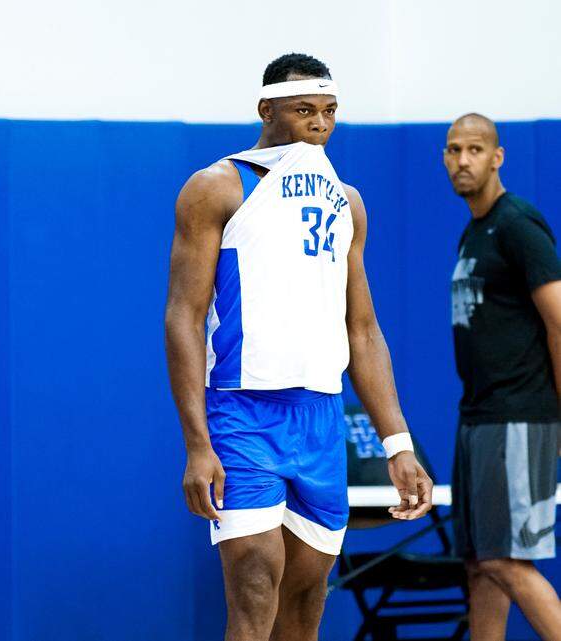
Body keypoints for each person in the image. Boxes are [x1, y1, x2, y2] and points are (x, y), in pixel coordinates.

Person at [164, 52, 433, 640]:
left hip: (320, 417)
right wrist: (196, 443)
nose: (319, 123)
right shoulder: (216, 187)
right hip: (243, 411)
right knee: (255, 585)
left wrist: (397, 443)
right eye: (304, 109)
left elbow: (363, 330)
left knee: (306, 602)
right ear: (267, 110)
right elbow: (183, 316)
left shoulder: (347, 202)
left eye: (329, 111)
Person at [444, 113, 561, 641]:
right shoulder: (475, 232)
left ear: (497, 158)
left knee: (508, 561)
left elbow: (558, 322)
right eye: (453, 150)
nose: (462, 160)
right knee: (480, 563)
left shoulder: (517, 224)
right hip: (479, 417)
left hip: (519, 414)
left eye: (474, 150)